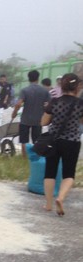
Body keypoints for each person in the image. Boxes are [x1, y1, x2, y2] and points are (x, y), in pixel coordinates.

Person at [41, 73, 83, 216]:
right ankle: (60, 198)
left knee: (50, 172)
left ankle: (48, 204)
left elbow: (44, 122)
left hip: (53, 140)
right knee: (69, 174)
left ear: (62, 85)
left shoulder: (55, 101)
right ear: (77, 87)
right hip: (72, 141)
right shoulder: (80, 104)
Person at [12, 70, 50, 157]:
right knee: (36, 140)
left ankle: (24, 158)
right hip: (38, 119)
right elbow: (49, 104)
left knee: (24, 140)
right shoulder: (44, 91)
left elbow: (18, 104)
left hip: (25, 119)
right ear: (38, 78)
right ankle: (36, 157)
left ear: (29, 79)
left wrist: (14, 113)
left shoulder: (25, 90)